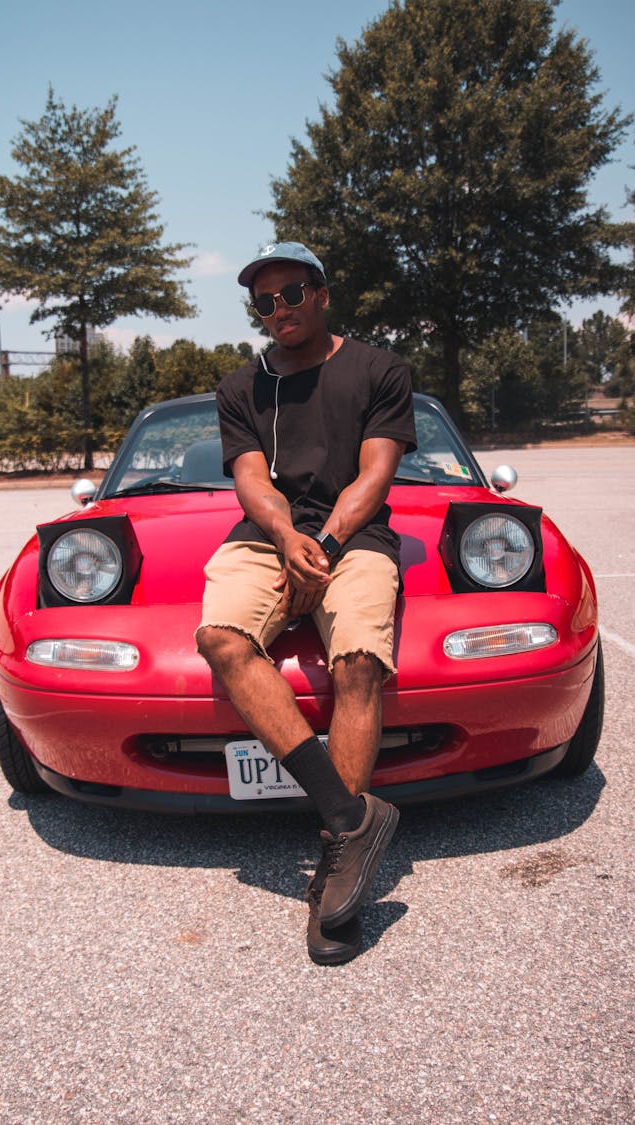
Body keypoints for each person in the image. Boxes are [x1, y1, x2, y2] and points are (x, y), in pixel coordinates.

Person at [195, 242, 417, 964]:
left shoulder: (380, 369)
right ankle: (350, 820)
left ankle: (335, 872)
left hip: (356, 536)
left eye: (291, 293)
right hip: (269, 536)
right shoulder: (241, 386)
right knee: (221, 636)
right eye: (264, 301)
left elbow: (373, 475)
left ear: (323, 292)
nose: (278, 310)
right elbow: (252, 480)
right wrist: (288, 536)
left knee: (357, 661)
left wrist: (320, 542)